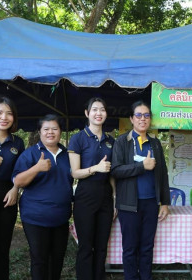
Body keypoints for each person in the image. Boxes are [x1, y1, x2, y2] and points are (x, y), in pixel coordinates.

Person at [111, 100, 170, 280]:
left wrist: (165, 202)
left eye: (146, 115)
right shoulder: (122, 142)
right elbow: (116, 170)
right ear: (131, 118)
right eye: (138, 115)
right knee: (130, 248)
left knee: (147, 246)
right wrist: (141, 166)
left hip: (151, 203)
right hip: (129, 204)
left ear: (150, 120)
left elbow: (163, 173)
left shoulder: (156, 143)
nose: (142, 119)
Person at [12, 114, 73, 280]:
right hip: (35, 218)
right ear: (39, 132)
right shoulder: (30, 154)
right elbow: (18, 181)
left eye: (55, 129)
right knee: (40, 260)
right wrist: (36, 168)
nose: (50, 132)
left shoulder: (68, 155)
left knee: (58, 259)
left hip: (61, 218)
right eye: (46, 129)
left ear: (60, 131)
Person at [68, 97, 115, 280]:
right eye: (94, 109)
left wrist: (115, 198)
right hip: (85, 194)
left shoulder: (111, 140)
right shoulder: (78, 138)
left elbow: (112, 173)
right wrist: (95, 168)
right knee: (86, 245)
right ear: (87, 113)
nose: (98, 113)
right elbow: (75, 173)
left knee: (102, 245)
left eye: (102, 109)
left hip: (105, 195)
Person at [0, 96, 25, 280]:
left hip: (7, 199)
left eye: (9, 113)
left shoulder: (17, 142)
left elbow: (20, 172)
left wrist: (15, 189)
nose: (4, 117)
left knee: (3, 248)